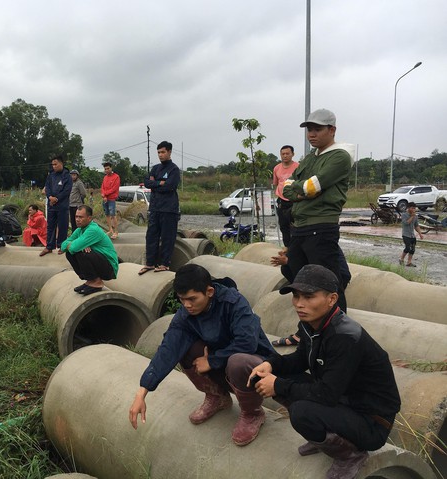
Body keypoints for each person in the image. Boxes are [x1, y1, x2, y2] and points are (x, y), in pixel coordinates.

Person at [249, 264, 400, 479]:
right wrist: (272, 365)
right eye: (296, 296)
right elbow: (301, 359)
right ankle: (326, 438)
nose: (299, 304)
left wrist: (278, 385)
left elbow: (327, 394)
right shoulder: (311, 324)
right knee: (277, 379)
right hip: (345, 400)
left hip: (371, 421)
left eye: (309, 297)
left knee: (302, 412)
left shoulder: (345, 337)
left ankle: (349, 454)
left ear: (332, 299)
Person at [129, 264, 276, 446]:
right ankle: (217, 397)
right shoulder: (186, 315)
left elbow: (247, 343)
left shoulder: (234, 302)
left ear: (209, 291)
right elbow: (168, 349)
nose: (187, 305)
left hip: (255, 363)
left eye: (192, 299)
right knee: (183, 348)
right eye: (182, 300)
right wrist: (142, 391)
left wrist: (211, 360)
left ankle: (252, 412)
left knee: (237, 361)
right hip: (222, 360)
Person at [283, 109, 355, 313]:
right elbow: (286, 188)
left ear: (332, 130)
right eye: (309, 130)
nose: (311, 134)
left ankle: (338, 330)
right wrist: (303, 189)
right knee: (300, 281)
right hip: (299, 228)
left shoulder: (339, 156)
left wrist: (302, 189)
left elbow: (310, 187)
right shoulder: (309, 158)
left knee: (328, 282)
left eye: (317, 129)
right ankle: (307, 332)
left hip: (321, 227)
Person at [139, 141, 181, 275]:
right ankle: (150, 263)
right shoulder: (155, 168)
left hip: (169, 209)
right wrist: (159, 183)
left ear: (169, 152)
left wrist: (155, 184)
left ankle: (164, 264)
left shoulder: (174, 169)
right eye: (158, 152)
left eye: (163, 152)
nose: (160, 155)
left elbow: (170, 186)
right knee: (151, 236)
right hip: (155, 207)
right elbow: (147, 182)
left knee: (167, 237)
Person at [60, 205, 119, 295]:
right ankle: (90, 280)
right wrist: (73, 245)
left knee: (80, 252)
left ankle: (97, 282)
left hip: (109, 268)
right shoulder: (79, 230)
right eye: (76, 216)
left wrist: (74, 246)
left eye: (81, 217)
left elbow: (73, 247)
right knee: (70, 254)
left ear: (89, 218)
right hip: (99, 263)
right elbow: (63, 245)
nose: (77, 219)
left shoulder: (93, 230)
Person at [41, 154, 72, 256]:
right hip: (51, 205)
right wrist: (50, 197)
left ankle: (62, 246)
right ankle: (49, 246)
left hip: (62, 206)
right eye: (52, 165)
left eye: (56, 164)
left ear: (61, 163)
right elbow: (47, 188)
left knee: (62, 226)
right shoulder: (51, 176)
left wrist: (56, 198)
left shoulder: (67, 176)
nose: (54, 166)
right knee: (50, 226)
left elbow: (66, 191)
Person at [272, 145, 299, 247]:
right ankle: (287, 248)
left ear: (292, 154)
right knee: (283, 226)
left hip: (295, 200)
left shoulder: (298, 167)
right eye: (283, 154)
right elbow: (276, 183)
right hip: (282, 201)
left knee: (295, 226)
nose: (285, 156)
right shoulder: (276, 168)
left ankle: (296, 248)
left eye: (287, 153)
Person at [399, 202, 423, 267]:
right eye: (412, 208)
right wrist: (412, 216)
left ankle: (409, 262)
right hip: (406, 235)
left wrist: (420, 233)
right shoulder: (404, 215)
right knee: (407, 248)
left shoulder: (415, 216)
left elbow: (416, 225)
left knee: (412, 249)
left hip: (412, 235)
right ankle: (401, 259)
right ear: (408, 208)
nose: (414, 210)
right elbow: (406, 223)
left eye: (414, 208)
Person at [101, 161, 120, 239]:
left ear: (111, 168)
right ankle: (110, 229)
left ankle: (116, 231)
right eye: (105, 169)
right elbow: (102, 187)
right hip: (105, 199)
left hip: (112, 198)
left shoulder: (116, 177)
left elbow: (114, 189)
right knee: (107, 214)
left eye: (108, 168)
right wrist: (103, 195)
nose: (106, 170)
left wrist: (105, 194)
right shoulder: (105, 177)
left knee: (113, 215)